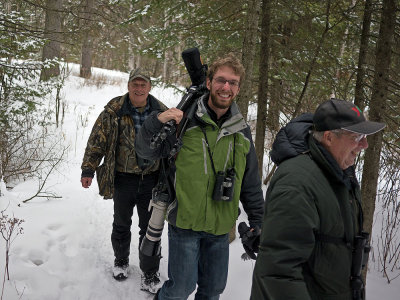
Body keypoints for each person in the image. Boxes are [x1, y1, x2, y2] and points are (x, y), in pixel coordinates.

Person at [135, 53, 265, 299]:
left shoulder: (242, 130)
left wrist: (259, 223)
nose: (226, 87)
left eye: (233, 82)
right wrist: (157, 120)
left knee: (213, 290)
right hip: (185, 223)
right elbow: (144, 150)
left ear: (238, 88)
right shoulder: (184, 122)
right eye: (221, 80)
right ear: (209, 82)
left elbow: (250, 184)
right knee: (181, 289)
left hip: (220, 227)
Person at [251, 98, 386, 300]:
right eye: (357, 136)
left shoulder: (339, 171)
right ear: (329, 137)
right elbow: (279, 272)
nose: (364, 145)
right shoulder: (297, 183)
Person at [80, 68, 168, 294]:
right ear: (128, 86)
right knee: (121, 223)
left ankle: (149, 272)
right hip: (123, 178)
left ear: (149, 87)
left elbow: (173, 145)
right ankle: (121, 261)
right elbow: (97, 140)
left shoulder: (161, 112)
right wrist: (88, 169)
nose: (139, 88)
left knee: (151, 229)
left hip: (152, 180)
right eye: (135, 84)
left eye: (143, 85)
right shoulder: (114, 111)